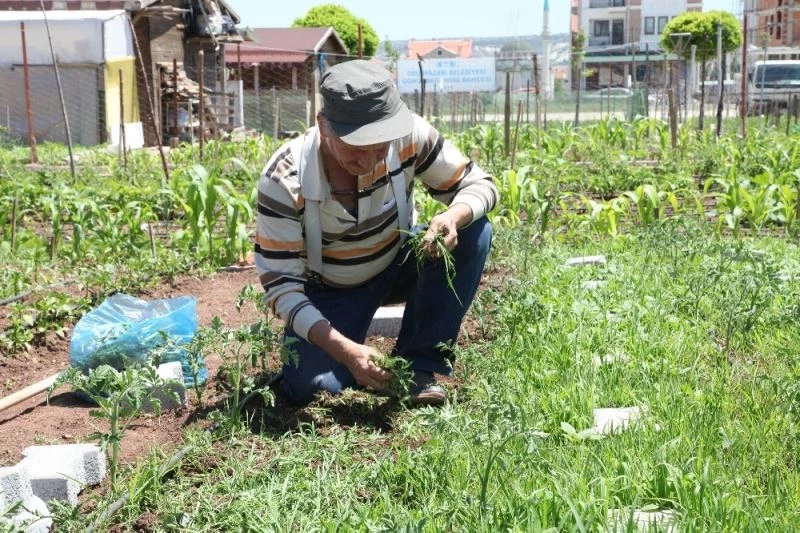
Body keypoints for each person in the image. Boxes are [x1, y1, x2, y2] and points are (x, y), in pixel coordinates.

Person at [254, 59, 498, 406]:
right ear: (323, 125)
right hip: (330, 289)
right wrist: (345, 350)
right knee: (315, 388)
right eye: (356, 147)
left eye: (379, 145)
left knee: (475, 228)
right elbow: (281, 288)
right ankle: (346, 351)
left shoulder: (409, 136)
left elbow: (479, 184)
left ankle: (416, 365)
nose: (370, 159)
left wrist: (454, 216)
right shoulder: (284, 179)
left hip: (395, 263)